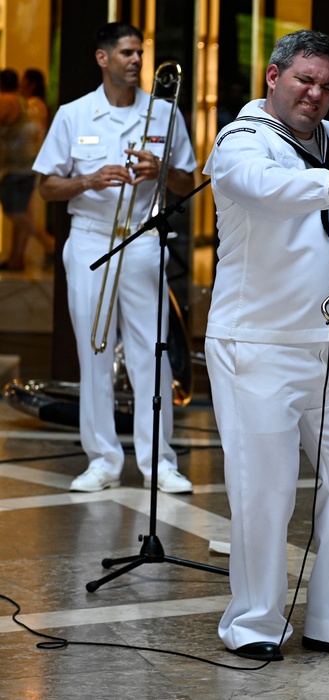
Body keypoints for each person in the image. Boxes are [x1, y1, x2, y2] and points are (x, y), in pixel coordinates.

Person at [202, 29, 329, 663]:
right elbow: (271, 193)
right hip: (254, 343)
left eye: (325, 86)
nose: (315, 95)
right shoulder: (240, 141)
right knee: (266, 490)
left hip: (326, 346)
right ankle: (254, 625)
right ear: (273, 76)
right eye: (303, 81)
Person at [33, 22, 196, 493]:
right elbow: (46, 186)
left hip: (143, 236)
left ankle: (159, 461)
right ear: (103, 58)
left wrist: (162, 171)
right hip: (89, 238)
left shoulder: (164, 113)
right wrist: (87, 181)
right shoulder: (73, 114)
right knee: (94, 350)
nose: (137, 61)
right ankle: (102, 458)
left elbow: (188, 182)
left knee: (153, 353)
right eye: (127, 53)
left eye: (140, 53)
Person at [0, 68, 51, 271]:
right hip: (29, 163)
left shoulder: (28, 104)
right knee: (22, 212)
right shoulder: (30, 104)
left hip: (20, 164)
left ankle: (50, 244)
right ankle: (16, 258)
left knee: (17, 211)